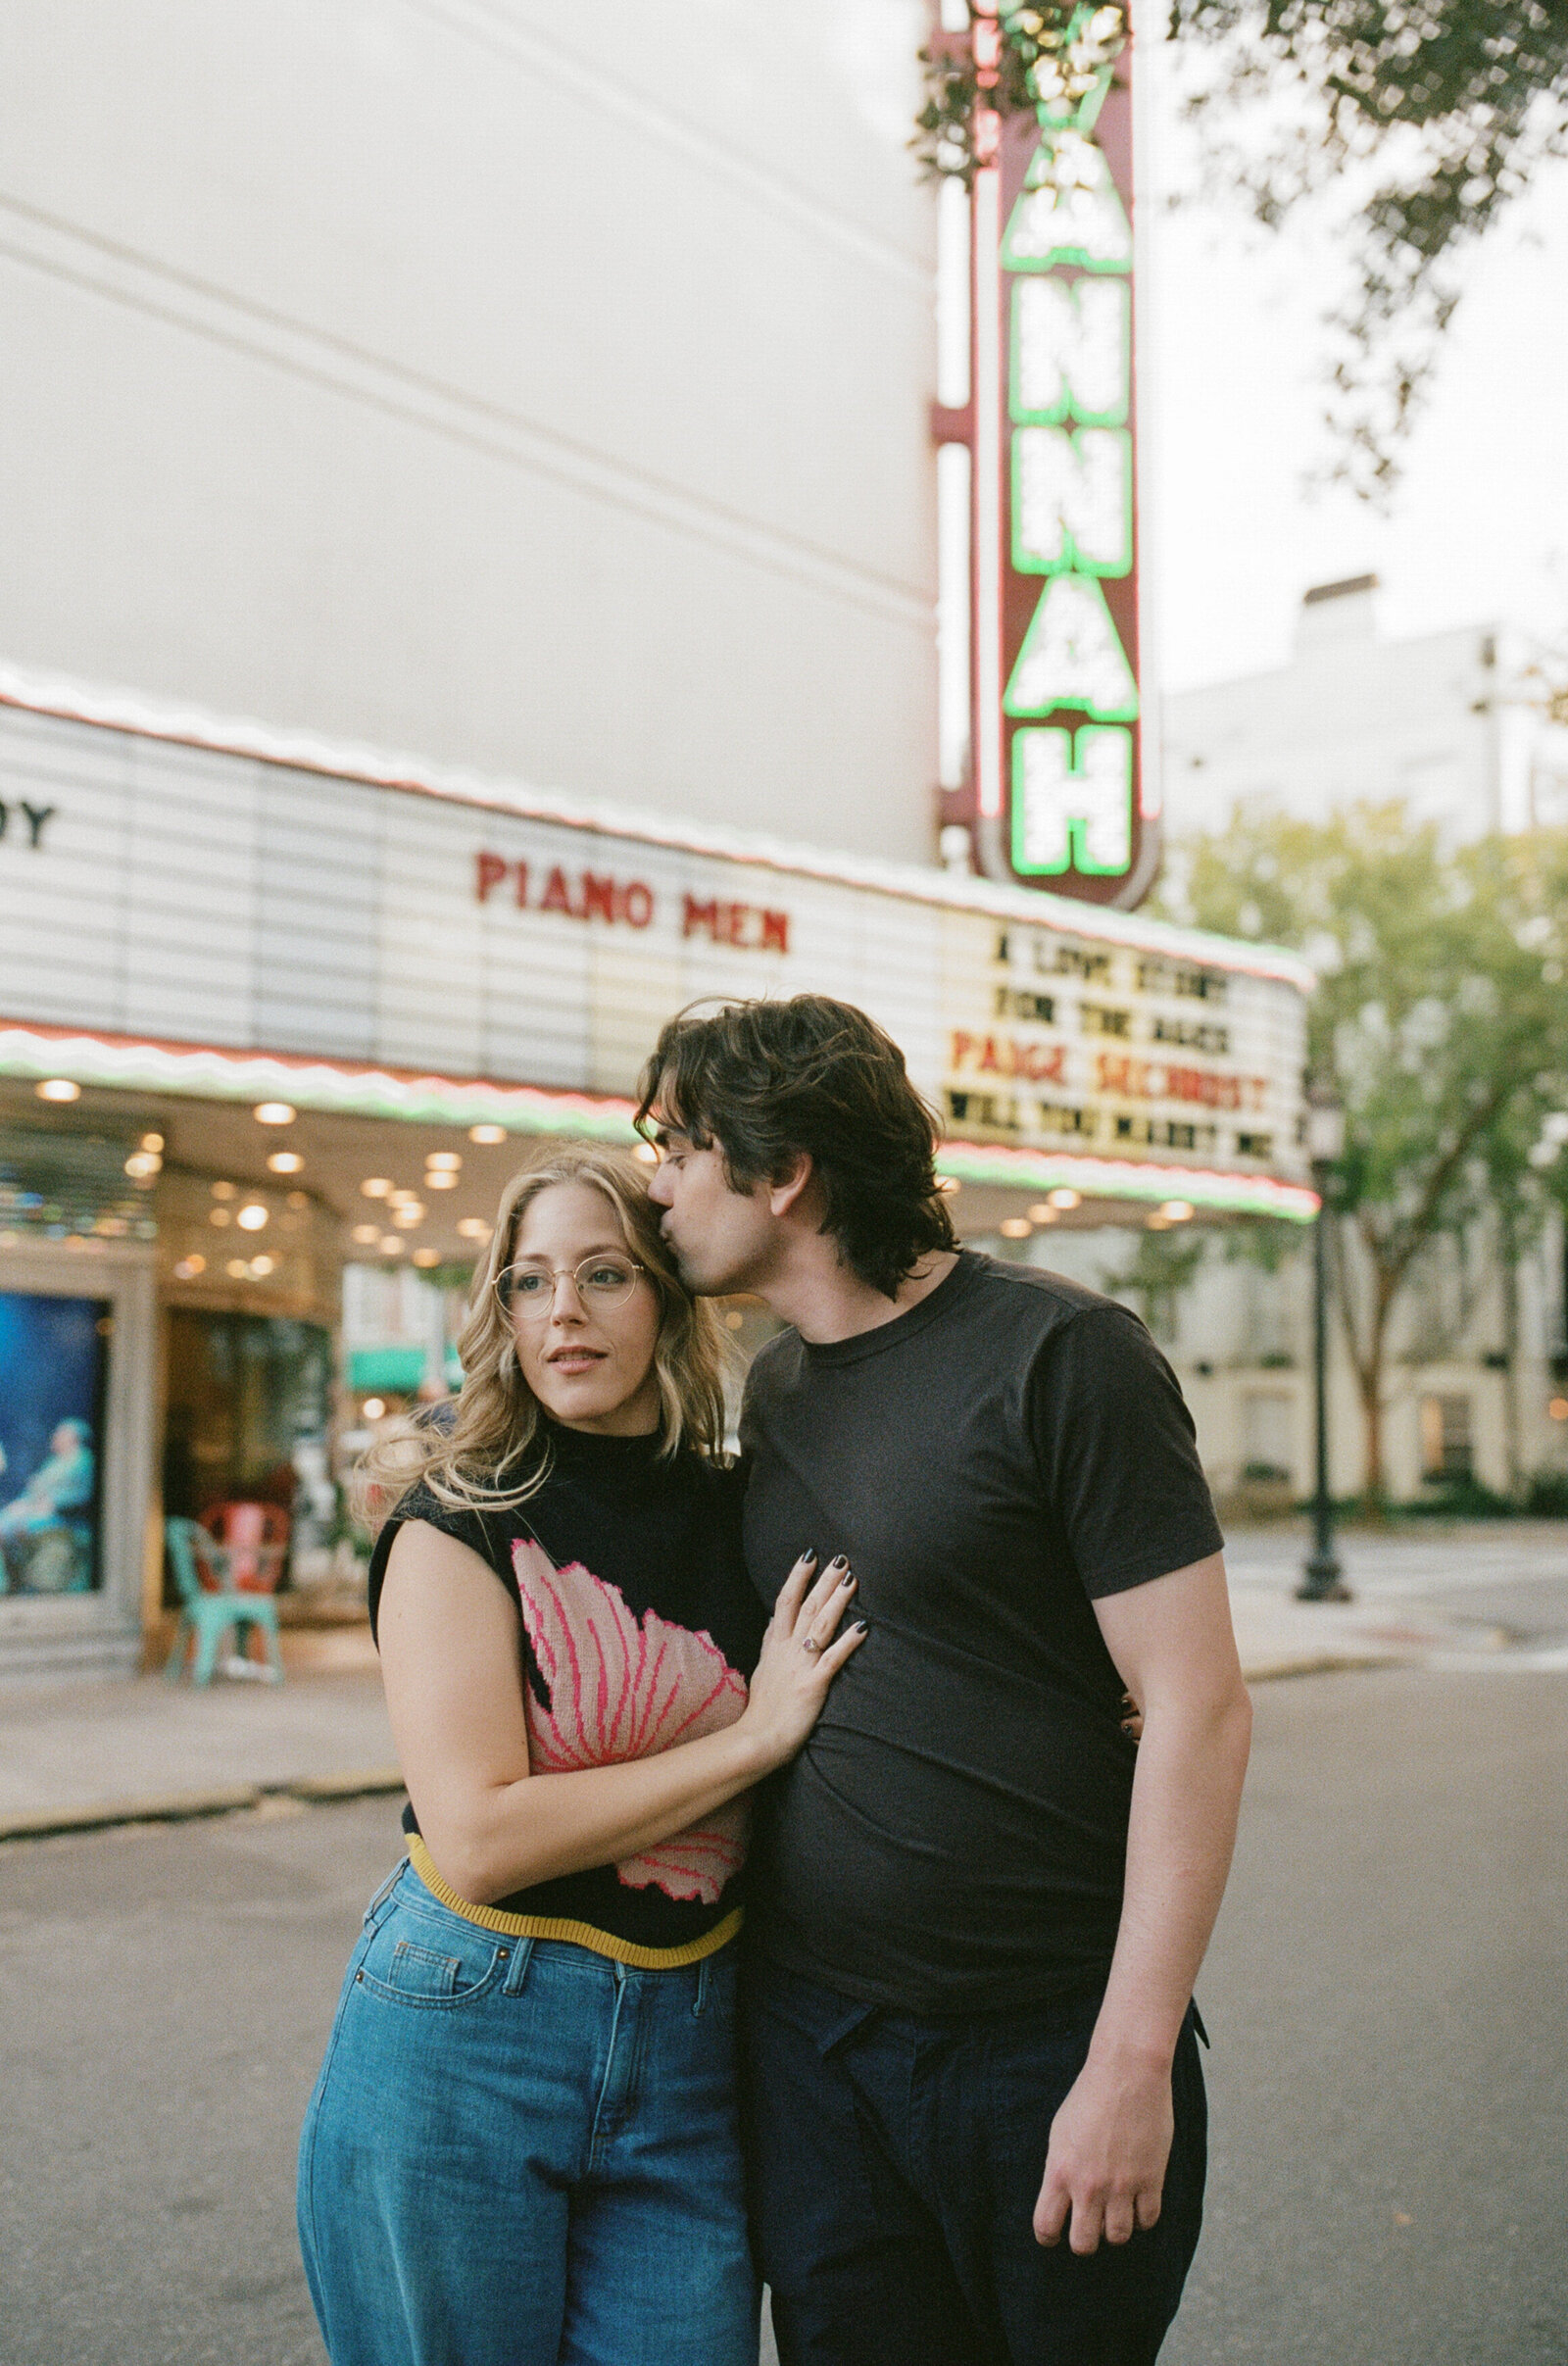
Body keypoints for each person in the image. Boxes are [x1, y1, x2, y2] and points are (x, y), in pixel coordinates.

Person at [639, 996, 1253, 2366]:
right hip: (816, 2049)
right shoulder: (776, 1386)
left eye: (677, 1143)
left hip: (1045, 2044)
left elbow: (1199, 1706)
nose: (656, 1180)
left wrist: (1131, 2060)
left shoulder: (1062, 1353)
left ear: (783, 1169)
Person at [297, 1143, 864, 2366]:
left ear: (665, 1289)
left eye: (604, 1274)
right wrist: (756, 1734)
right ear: (500, 1308)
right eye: (530, 1280)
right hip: (469, 2030)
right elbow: (482, 1835)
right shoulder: (461, 1515)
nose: (564, 1312)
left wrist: (1103, 1700)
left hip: (694, 2044)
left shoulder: (745, 1502)